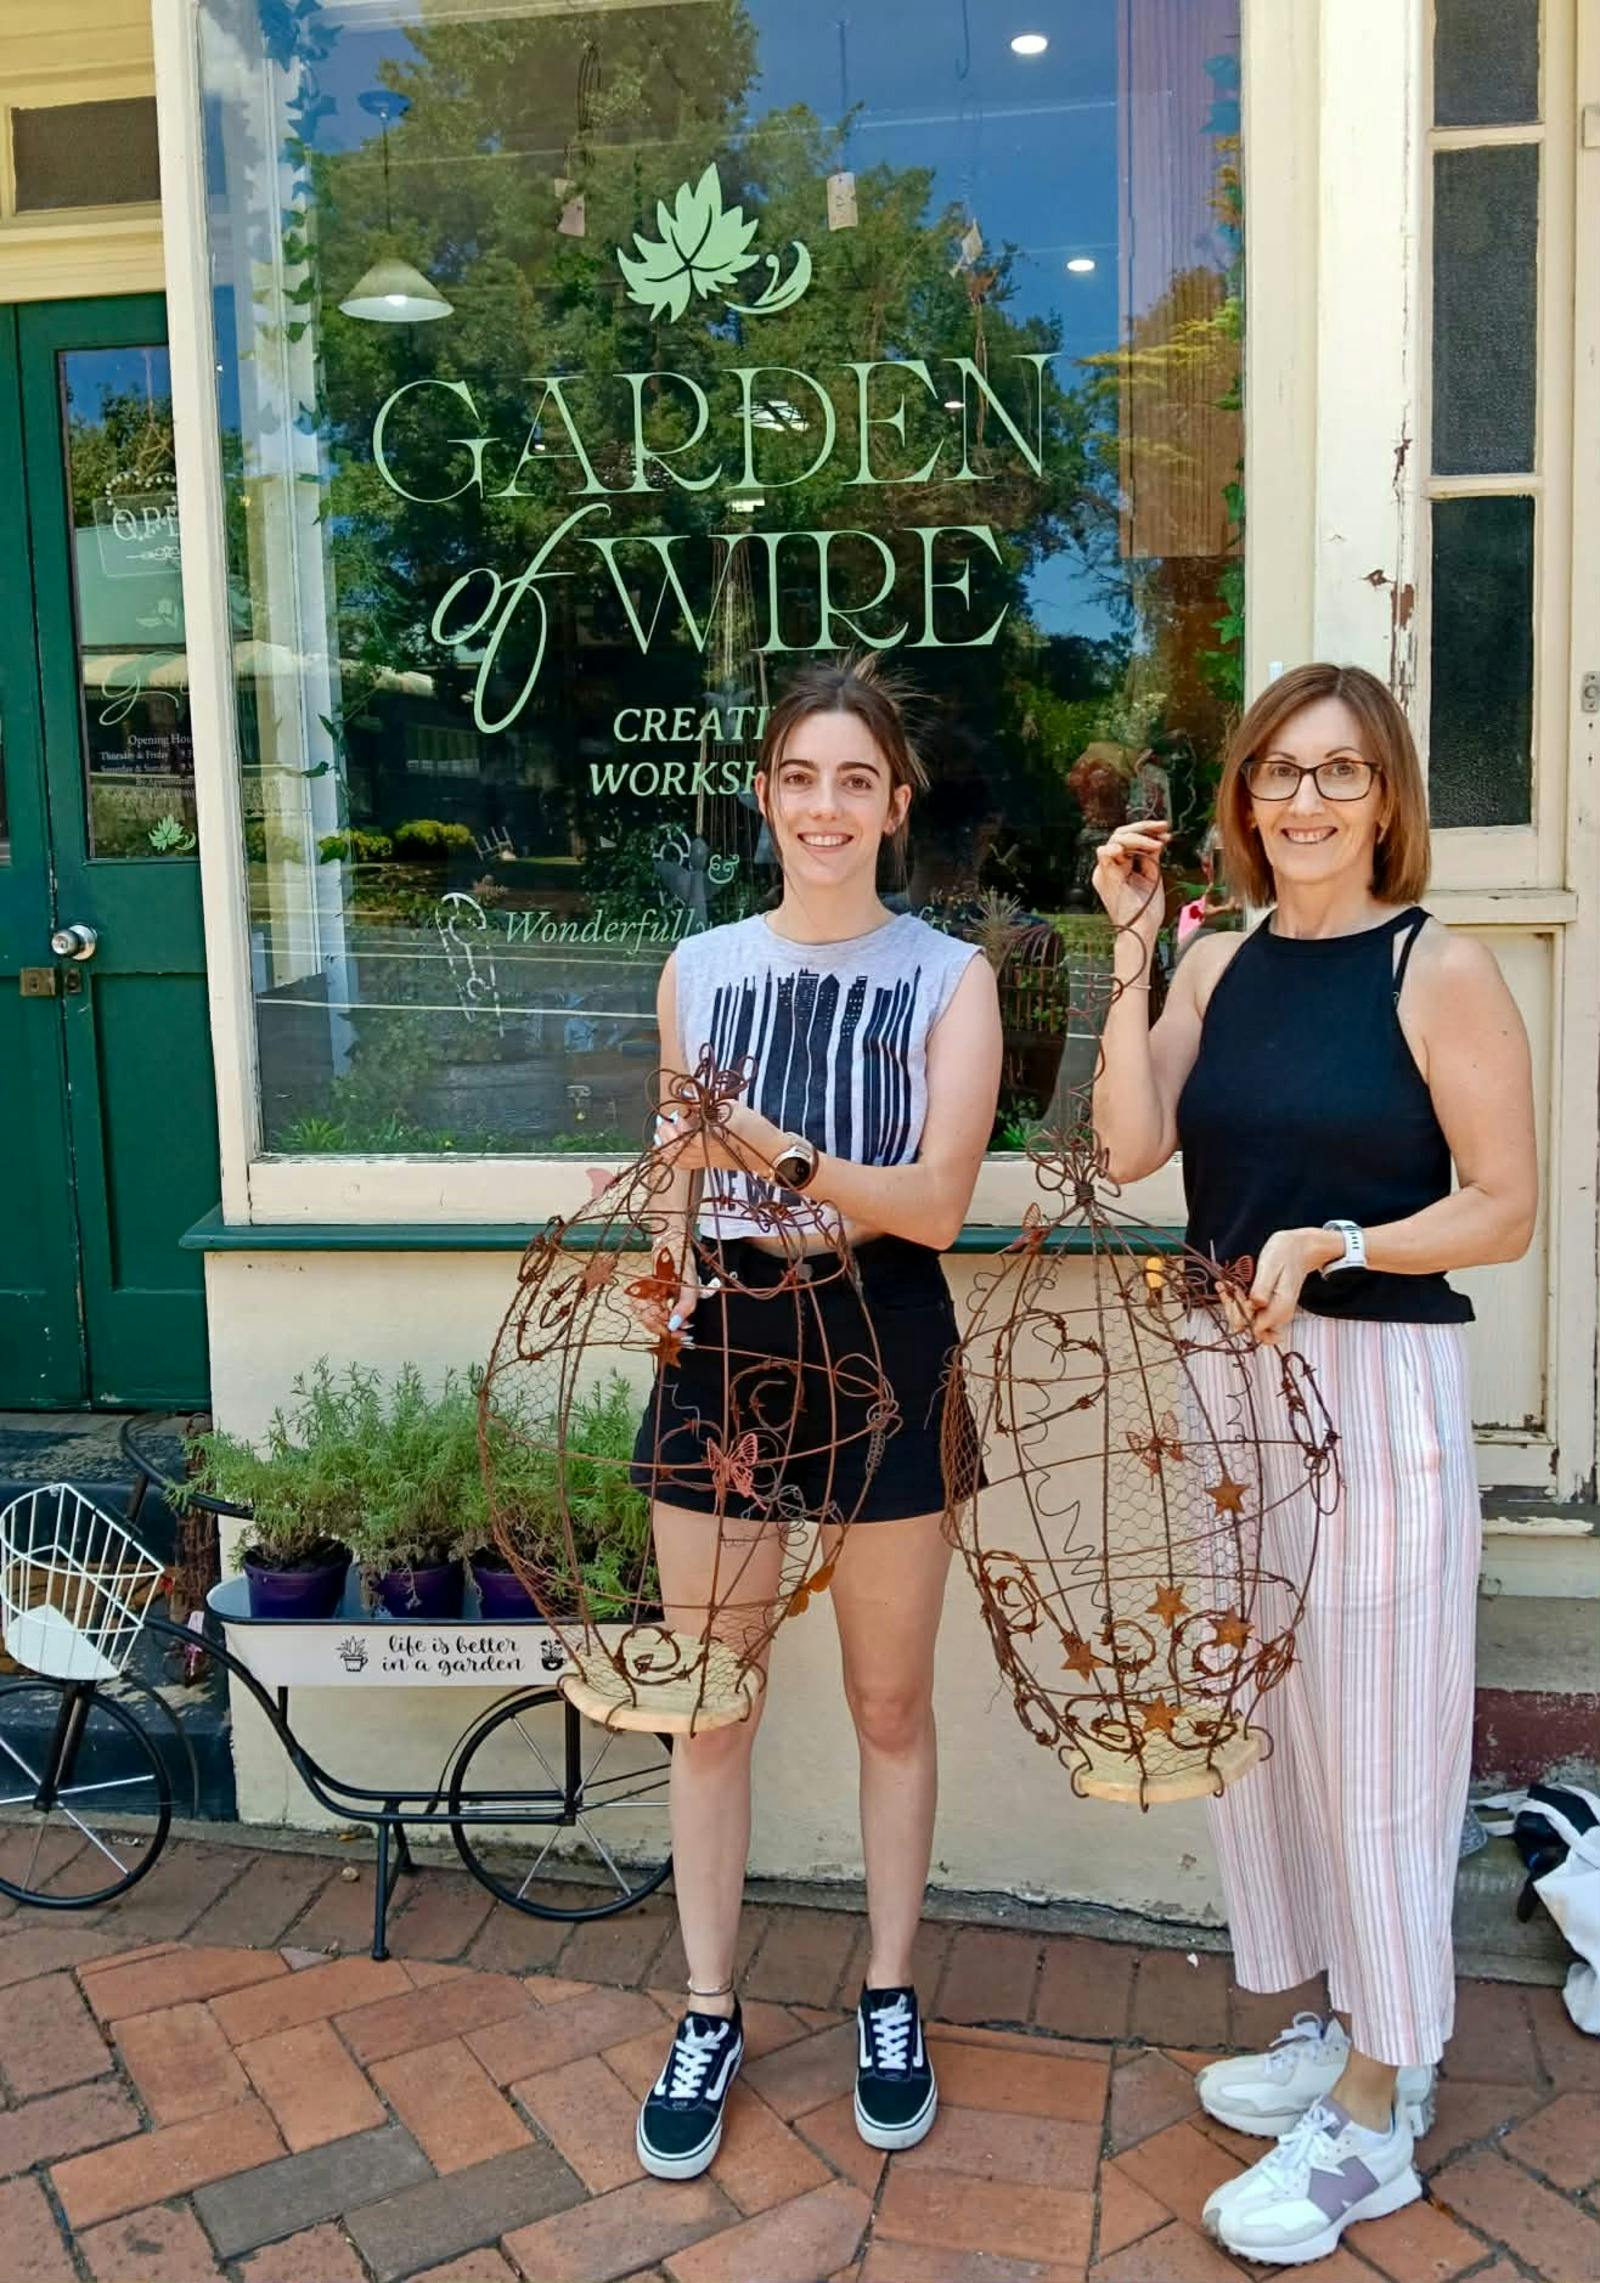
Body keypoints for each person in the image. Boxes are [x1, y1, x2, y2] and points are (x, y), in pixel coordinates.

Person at [1091, 662, 1537, 2268]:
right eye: (1280, 772)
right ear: (1244, 798)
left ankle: (1379, 2104)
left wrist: (1341, 1237)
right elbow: (1133, 1146)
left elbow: (1506, 1203)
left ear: (1388, 795)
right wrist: (1137, 948)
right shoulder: (1221, 962)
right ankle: (1347, 2019)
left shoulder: (1440, 967)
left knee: (1385, 1738)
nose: (1305, 800)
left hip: (1379, 1379)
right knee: (1272, 1720)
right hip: (1234, 1375)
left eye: (1339, 772)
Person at [629, 655, 1003, 2182]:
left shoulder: (951, 978)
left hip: (884, 1332)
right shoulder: (697, 968)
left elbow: (939, 1202)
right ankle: (709, 2007)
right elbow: (668, 1162)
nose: (827, 807)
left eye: (859, 780)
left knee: (888, 1704)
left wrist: (785, 1158)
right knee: (708, 1703)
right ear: (767, 797)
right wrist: (663, 1273)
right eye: (802, 778)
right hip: (722, 1340)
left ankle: (889, 1990)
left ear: (895, 805)